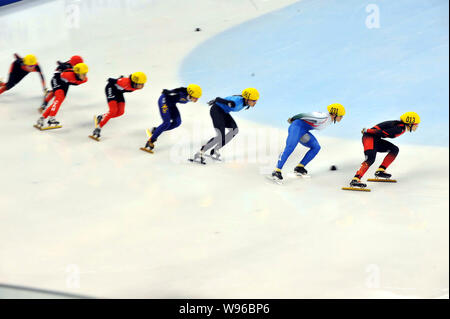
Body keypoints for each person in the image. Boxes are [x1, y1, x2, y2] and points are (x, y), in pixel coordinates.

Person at [271, 103, 345, 182]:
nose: (341, 118)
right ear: (334, 114)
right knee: (290, 147)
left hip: (303, 132)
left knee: (316, 147)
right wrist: (293, 118)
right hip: (296, 127)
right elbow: (304, 115)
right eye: (341, 116)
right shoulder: (322, 117)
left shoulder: (329, 120)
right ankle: (277, 170)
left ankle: (300, 167)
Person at [349, 112, 420, 188]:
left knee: (394, 149)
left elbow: (382, 132)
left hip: (375, 138)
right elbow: (382, 133)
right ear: (410, 123)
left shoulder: (400, 126)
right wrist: (368, 130)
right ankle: (355, 179)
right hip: (369, 137)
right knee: (370, 159)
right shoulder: (399, 128)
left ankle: (380, 170)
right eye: (416, 124)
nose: (417, 126)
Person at [191, 88, 259, 164]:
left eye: (256, 101)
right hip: (216, 111)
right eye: (254, 101)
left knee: (234, 130)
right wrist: (215, 101)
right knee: (220, 135)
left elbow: (227, 99)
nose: (255, 102)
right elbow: (218, 99)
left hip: (224, 112)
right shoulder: (235, 102)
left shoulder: (245, 102)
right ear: (247, 98)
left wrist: (217, 101)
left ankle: (216, 149)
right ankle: (200, 152)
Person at [142, 84, 202, 152]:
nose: (196, 100)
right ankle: (150, 141)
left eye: (197, 98)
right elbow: (177, 90)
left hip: (171, 103)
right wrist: (169, 91)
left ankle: (157, 130)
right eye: (195, 98)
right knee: (166, 123)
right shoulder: (181, 93)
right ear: (190, 94)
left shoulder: (189, 95)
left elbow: (182, 89)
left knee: (177, 122)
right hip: (164, 101)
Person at [90, 72, 147, 140]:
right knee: (113, 111)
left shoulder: (135, 86)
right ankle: (98, 128)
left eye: (143, 84)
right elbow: (113, 81)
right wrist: (115, 79)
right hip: (111, 88)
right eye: (140, 84)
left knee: (120, 112)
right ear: (134, 82)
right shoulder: (125, 82)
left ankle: (101, 117)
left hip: (119, 92)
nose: (141, 86)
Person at [35, 63, 88, 129]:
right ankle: (51, 118)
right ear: (77, 73)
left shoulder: (85, 79)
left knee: (57, 102)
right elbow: (56, 73)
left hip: (65, 84)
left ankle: (41, 118)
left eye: (86, 73)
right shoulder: (67, 74)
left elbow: (72, 82)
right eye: (83, 74)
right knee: (59, 98)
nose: (85, 76)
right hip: (56, 80)